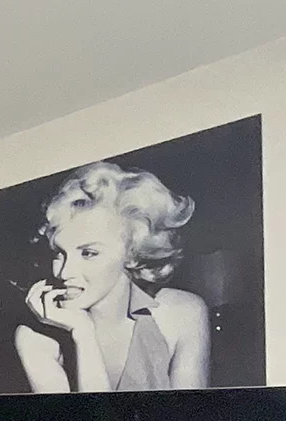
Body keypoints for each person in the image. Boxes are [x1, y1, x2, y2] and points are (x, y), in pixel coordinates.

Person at [14, 161, 211, 392]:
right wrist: (84, 335)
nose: (64, 272)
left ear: (132, 254)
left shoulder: (182, 313)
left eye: (88, 253)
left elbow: (192, 415)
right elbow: (94, 417)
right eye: (59, 253)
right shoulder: (36, 339)